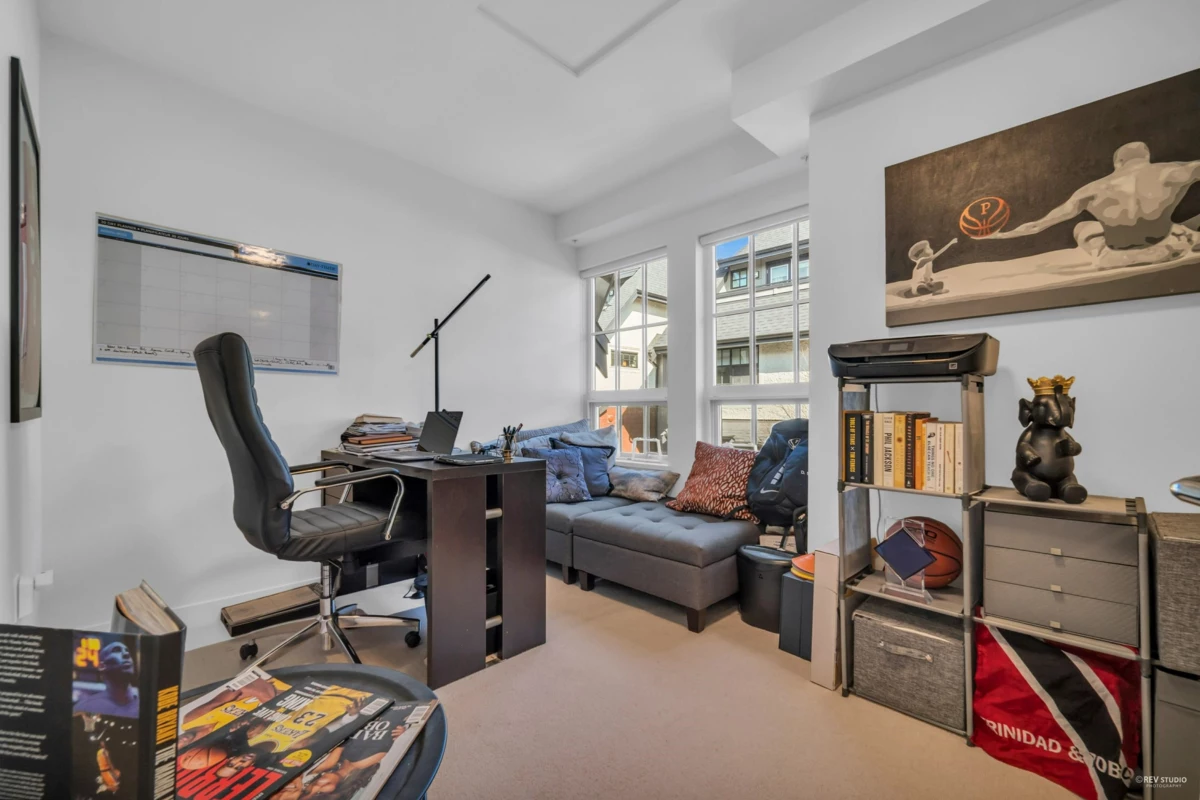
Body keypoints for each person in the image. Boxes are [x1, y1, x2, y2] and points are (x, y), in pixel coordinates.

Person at [989, 141, 1200, 268]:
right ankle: (1189, 237)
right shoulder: (1171, 171)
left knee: (1081, 227)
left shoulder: (1091, 189)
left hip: (1115, 259)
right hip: (1166, 250)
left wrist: (1002, 235)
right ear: (1146, 157)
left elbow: (1037, 225)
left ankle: (1103, 252)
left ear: (1118, 162)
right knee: (1183, 225)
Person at [74, 641, 139, 718]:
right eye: (116, 650)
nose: (126, 654)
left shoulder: (148, 705)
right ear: (102, 666)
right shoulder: (84, 708)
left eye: (127, 651)